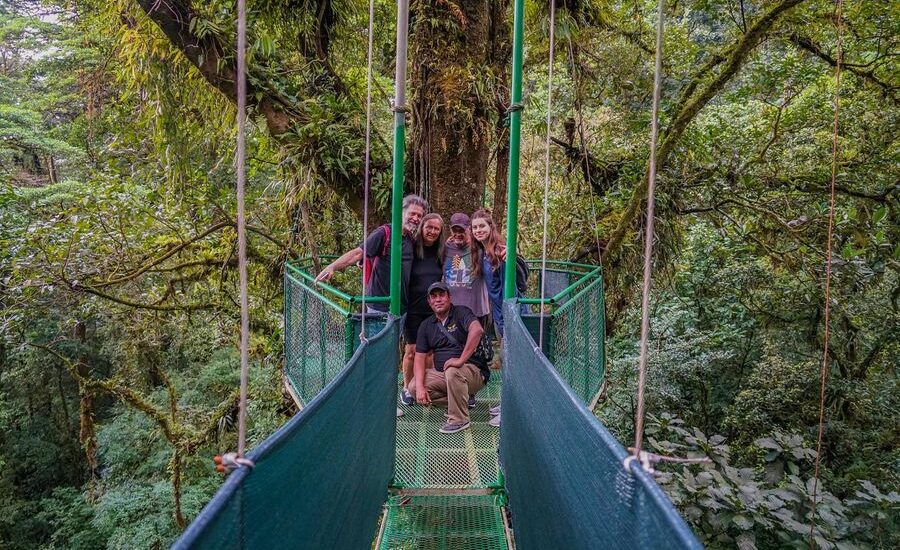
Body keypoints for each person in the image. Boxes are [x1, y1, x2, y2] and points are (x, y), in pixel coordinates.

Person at [315, 194, 427, 315]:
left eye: (419, 216)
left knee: (396, 335)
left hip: (401, 307)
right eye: (412, 213)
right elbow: (358, 253)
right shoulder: (384, 233)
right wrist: (332, 266)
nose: (415, 218)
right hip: (380, 306)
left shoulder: (410, 239)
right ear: (402, 213)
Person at [471, 208, 528, 428]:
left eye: (482, 226)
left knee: (511, 362)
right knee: (504, 360)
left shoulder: (500, 252)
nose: (478, 230)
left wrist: (507, 321)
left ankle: (510, 410)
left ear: (491, 227)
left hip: (510, 314)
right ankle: (506, 403)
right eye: (475, 227)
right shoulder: (483, 252)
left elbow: (511, 287)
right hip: (498, 315)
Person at [413, 282, 489, 434]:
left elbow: (477, 330)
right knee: (413, 387)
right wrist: (421, 387)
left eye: (441, 295)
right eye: (433, 297)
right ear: (429, 302)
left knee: (453, 371)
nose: (438, 300)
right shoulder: (426, 325)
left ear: (449, 297)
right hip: (444, 375)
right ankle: (461, 401)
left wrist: (460, 360)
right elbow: (419, 358)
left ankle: (459, 419)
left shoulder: (462, 312)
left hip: (472, 371)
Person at [399, 213, 445, 405]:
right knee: (412, 350)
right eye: (429, 227)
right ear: (422, 227)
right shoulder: (410, 247)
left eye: (436, 228)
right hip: (413, 308)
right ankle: (407, 387)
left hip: (433, 309)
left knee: (430, 352)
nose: (432, 231)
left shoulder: (441, 252)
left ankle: (422, 386)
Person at [443, 213, 490, 322]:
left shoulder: (479, 247)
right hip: (451, 312)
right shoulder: (445, 248)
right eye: (455, 230)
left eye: (461, 230)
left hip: (475, 312)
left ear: (469, 230)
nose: (458, 234)